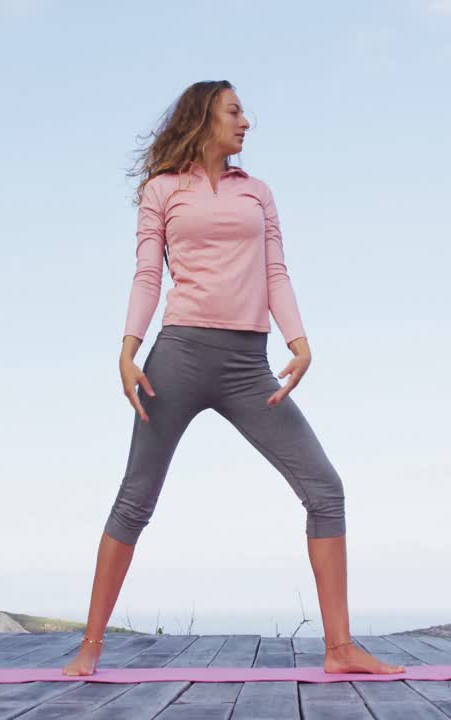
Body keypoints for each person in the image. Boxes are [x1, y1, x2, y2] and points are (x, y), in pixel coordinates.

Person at [62, 81, 404, 677]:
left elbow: (276, 272)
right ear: (204, 118)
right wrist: (128, 351)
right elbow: (147, 275)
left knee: (325, 489)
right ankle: (90, 646)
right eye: (235, 111)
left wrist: (299, 342)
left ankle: (340, 648)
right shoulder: (162, 190)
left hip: (249, 366)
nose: (246, 121)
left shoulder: (258, 193)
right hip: (178, 359)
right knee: (136, 498)